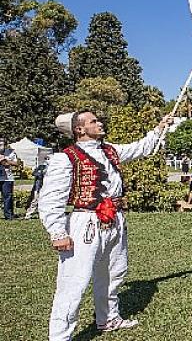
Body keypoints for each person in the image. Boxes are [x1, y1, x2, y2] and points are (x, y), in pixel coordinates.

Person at [38, 110, 172, 340]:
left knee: (114, 272)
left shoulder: (110, 150)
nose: (99, 123)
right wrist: (58, 232)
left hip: (115, 219)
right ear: (79, 130)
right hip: (86, 221)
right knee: (74, 281)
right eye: (93, 121)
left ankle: (108, 318)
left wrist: (160, 128)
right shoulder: (65, 157)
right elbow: (51, 198)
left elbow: (140, 147)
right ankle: (60, 336)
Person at [25, 154, 50, 219]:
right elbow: (34, 173)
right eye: (46, 159)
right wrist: (42, 172)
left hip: (47, 187)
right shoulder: (41, 166)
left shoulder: (52, 168)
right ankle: (28, 214)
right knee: (34, 201)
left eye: (48, 159)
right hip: (38, 187)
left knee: (45, 201)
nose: (47, 160)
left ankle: (42, 214)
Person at [0, 138, 19, 219]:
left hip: (7, 179)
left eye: (2, 144)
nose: (1, 146)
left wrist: (6, 161)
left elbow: (16, 163)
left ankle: (9, 215)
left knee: (8, 197)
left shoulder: (11, 152)